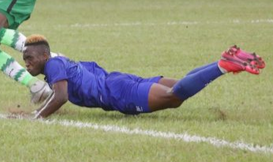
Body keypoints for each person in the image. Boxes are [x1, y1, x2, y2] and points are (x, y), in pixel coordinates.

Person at [22, 35, 265, 119]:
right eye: (25, 60)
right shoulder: (59, 62)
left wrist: (38, 116)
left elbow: (61, 96)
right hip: (117, 81)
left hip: (117, 93)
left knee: (174, 96)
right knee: (179, 87)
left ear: (44, 55)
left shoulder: (53, 66)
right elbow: (60, 91)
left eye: (30, 59)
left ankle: (224, 64)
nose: (27, 64)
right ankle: (228, 58)